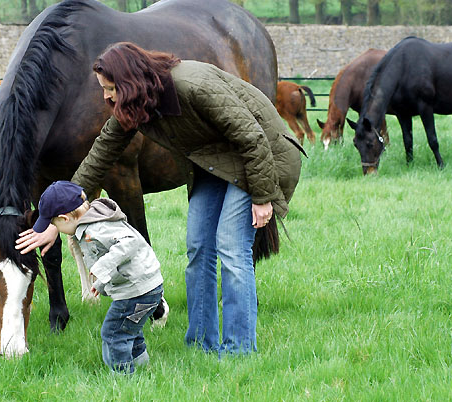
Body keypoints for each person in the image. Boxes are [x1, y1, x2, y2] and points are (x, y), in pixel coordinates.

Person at [40, 42, 301, 355]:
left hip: (262, 158)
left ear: (129, 82)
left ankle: (238, 350)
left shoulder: (192, 85)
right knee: (198, 247)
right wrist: (59, 214)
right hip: (215, 163)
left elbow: (252, 137)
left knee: (231, 247)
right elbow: (102, 152)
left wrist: (262, 196)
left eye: (110, 88)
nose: (106, 97)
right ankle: (201, 344)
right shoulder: (138, 103)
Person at [16, 180, 163, 374]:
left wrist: (101, 269)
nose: (55, 229)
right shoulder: (94, 221)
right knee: (130, 330)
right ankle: (143, 368)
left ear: (65, 218)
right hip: (148, 287)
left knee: (113, 333)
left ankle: (123, 378)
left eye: (54, 224)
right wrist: (100, 283)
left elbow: (130, 242)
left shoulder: (97, 228)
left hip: (136, 292)